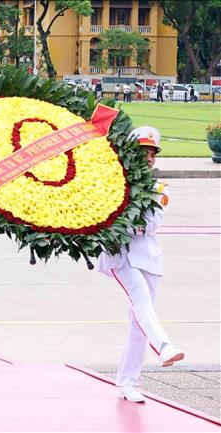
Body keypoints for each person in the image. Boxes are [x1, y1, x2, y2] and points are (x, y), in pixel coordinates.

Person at [97, 126, 185, 404]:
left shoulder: (160, 190)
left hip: (149, 258)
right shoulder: (113, 183)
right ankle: (164, 346)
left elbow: (150, 224)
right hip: (120, 255)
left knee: (138, 323)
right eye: (142, 152)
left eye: (152, 154)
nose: (148, 158)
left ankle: (127, 381)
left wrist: (127, 222)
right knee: (141, 298)